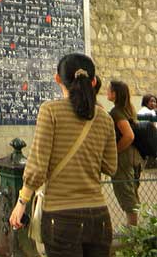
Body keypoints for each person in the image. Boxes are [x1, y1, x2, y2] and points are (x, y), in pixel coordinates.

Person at [9, 53, 117, 257]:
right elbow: (110, 167)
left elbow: (38, 167)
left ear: (57, 79)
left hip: (61, 218)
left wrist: (21, 203)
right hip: (99, 217)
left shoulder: (50, 111)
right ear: (93, 81)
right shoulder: (104, 118)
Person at [108, 80, 143, 226]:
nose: (107, 92)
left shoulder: (117, 112)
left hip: (124, 157)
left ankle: (132, 228)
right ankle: (133, 227)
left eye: (109, 90)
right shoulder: (128, 110)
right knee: (131, 190)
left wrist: (114, 151)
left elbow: (129, 135)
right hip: (134, 155)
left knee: (126, 191)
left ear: (115, 94)